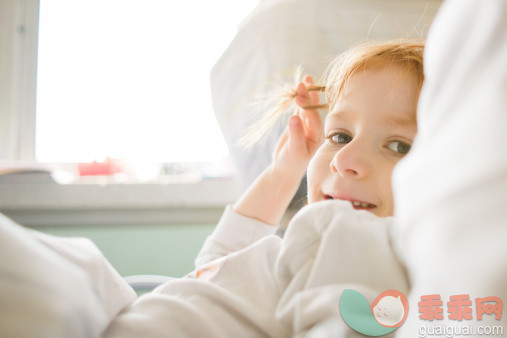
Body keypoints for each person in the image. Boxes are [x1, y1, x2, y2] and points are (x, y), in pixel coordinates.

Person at [103, 39, 424, 337]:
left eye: (398, 146)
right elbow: (217, 270)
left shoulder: (359, 246)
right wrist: (285, 167)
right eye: (339, 136)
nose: (344, 159)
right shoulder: (311, 245)